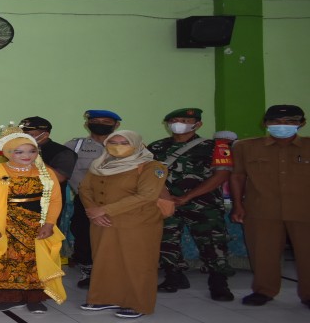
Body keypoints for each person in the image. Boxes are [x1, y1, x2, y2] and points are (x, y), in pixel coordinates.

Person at [0, 128, 65, 314]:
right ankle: (8, 298)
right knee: (5, 260)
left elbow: (55, 200)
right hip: (3, 224)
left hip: (36, 225)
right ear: (7, 152)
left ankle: (35, 299)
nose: (27, 156)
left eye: (32, 151)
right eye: (19, 152)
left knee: (36, 261)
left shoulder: (46, 173)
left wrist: (49, 224)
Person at [79, 130, 168, 319]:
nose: (117, 146)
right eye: (113, 142)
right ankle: (104, 298)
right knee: (105, 261)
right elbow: (84, 188)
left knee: (137, 263)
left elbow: (147, 195)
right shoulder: (100, 164)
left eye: (124, 142)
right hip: (102, 222)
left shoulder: (152, 167)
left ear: (137, 145)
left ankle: (138, 304)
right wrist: (92, 210)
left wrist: (104, 210)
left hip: (138, 224)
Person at [147, 108, 234, 300]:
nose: (179, 124)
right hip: (166, 202)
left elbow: (222, 175)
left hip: (204, 204)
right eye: (174, 120)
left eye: (185, 120)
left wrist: (187, 197)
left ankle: (219, 282)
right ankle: (173, 276)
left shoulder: (217, 146)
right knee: (166, 240)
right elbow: (150, 175)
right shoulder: (156, 147)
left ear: (198, 124)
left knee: (212, 242)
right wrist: (165, 196)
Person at [230, 105, 310, 309]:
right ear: (265, 123)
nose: (282, 125)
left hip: (304, 210)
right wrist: (237, 204)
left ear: (301, 123)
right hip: (262, 209)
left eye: (289, 121)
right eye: (275, 121)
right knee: (263, 253)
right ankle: (263, 290)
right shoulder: (245, 147)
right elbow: (237, 176)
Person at [64, 109, 121, 288]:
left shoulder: (127, 144)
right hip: (86, 199)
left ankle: (115, 270)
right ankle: (88, 270)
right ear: (87, 123)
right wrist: (86, 197)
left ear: (116, 125)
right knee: (84, 234)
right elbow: (67, 171)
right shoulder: (75, 145)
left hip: (119, 202)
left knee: (117, 235)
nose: (100, 125)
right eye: (96, 121)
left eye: (106, 122)